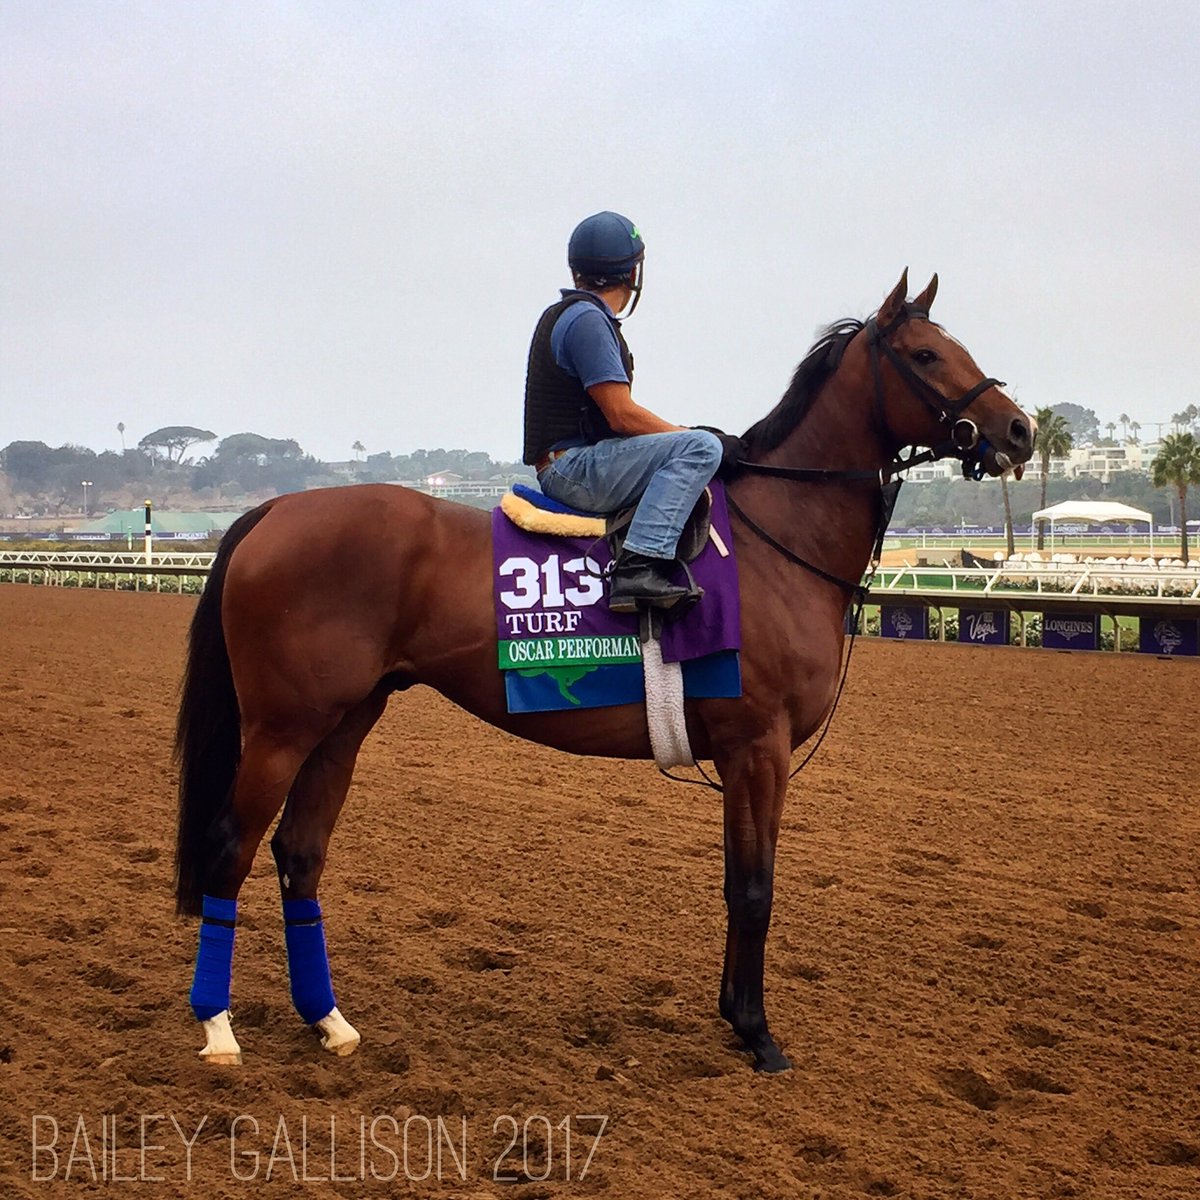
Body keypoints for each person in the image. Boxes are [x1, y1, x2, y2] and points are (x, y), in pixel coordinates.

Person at [522, 211, 724, 611]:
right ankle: (638, 566)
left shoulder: (573, 314)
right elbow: (621, 415)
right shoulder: (588, 321)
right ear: (633, 275)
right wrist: (685, 434)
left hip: (570, 461)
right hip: (574, 468)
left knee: (692, 441)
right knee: (701, 448)